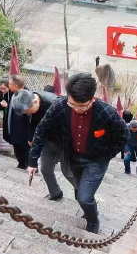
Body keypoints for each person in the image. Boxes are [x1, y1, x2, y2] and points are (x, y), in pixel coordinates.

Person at [27, 73, 129, 233]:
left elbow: (124, 134)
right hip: (72, 157)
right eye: (72, 104)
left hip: (96, 161)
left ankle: (93, 220)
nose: (76, 109)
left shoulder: (106, 112)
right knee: (78, 188)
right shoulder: (61, 105)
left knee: (84, 197)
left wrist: (107, 154)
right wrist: (33, 160)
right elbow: (42, 128)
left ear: (92, 99)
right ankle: (86, 209)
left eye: (81, 106)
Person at [0, 74, 30, 169]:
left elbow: (28, 118)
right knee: (17, 149)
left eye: (9, 84)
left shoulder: (26, 96)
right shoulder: (14, 93)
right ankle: (21, 163)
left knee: (24, 150)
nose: (8, 86)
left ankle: (29, 165)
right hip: (13, 129)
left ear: (16, 86)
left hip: (21, 132)